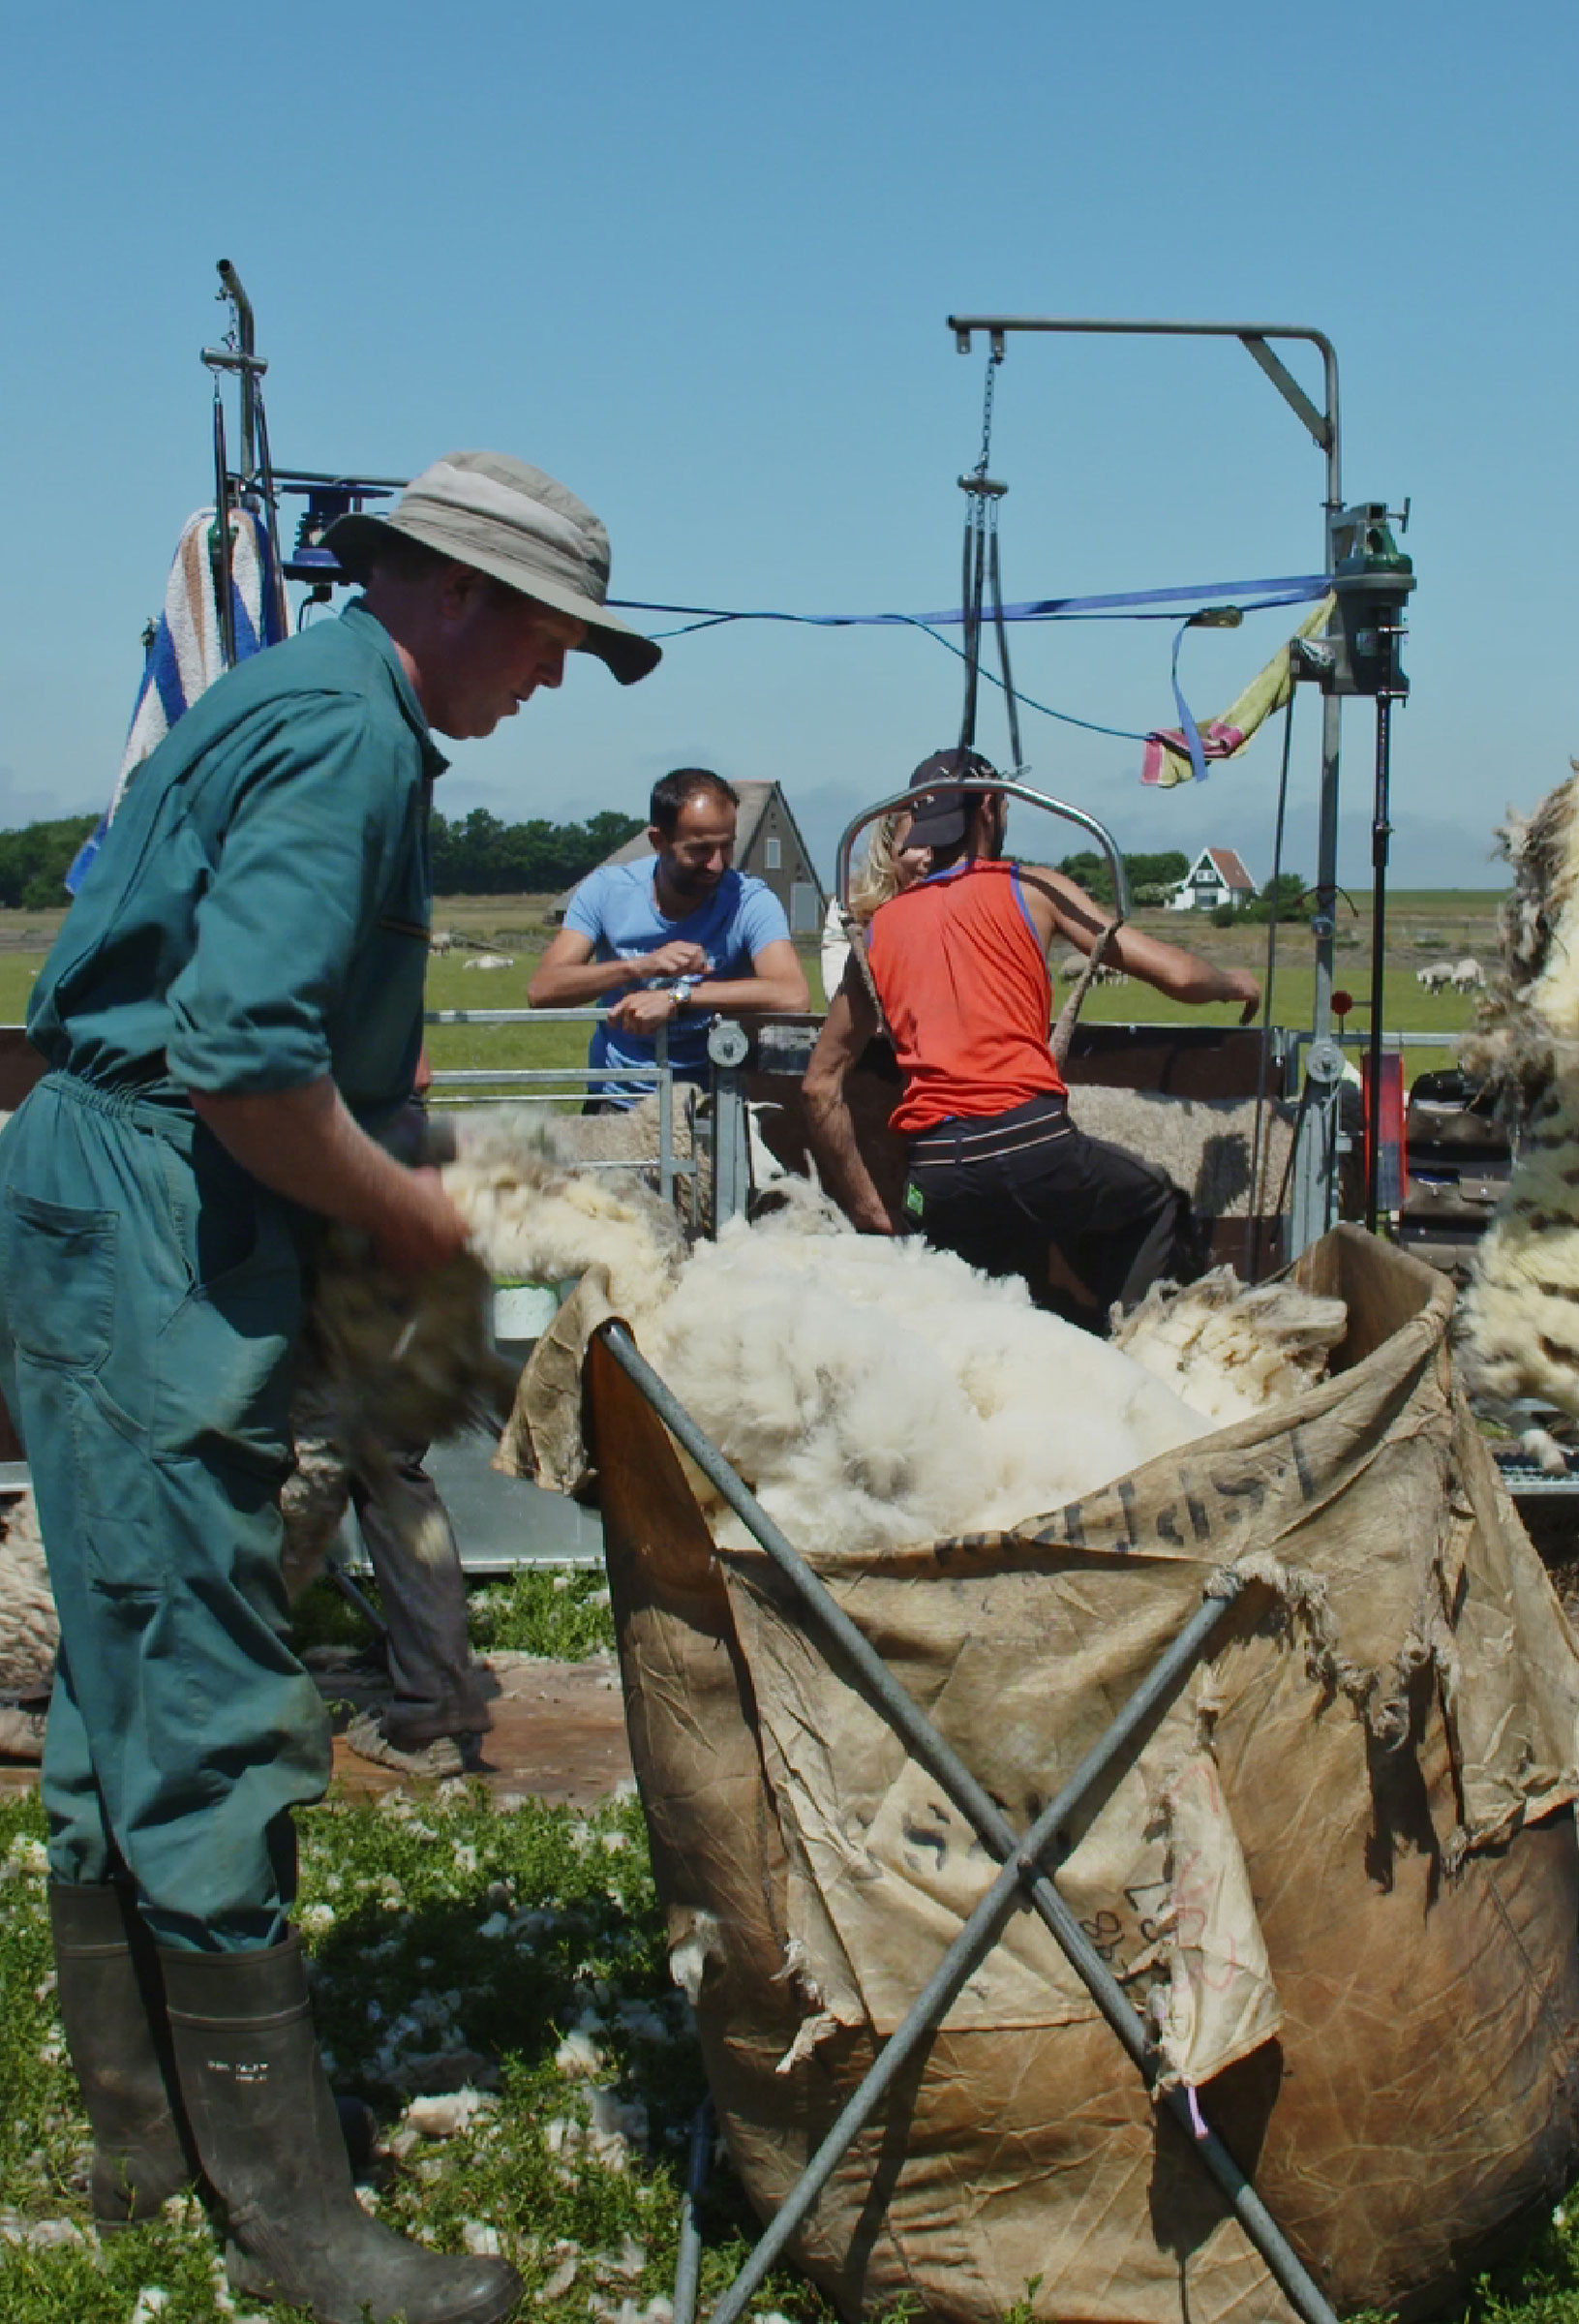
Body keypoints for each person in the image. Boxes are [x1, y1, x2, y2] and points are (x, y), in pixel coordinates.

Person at [0, 448, 659, 2324]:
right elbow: (239, 1062)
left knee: (127, 1668)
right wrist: (424, 1229)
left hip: (120, 1196)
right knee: (199, 1676)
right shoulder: (348, 738)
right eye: (548, 641)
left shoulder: (308, 703)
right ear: (454, 592)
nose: (548, 681)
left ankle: (152, 2146)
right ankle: (292, 2220)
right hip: (158, 1210)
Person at [805, 749, 1260, 1326]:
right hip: (1036, 1149)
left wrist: (872, 1211)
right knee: (1154, 1208)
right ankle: (1128, 1351)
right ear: (991, 806)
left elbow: (819, 1087)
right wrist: (1237, 984)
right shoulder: (1035, 890)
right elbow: (1179, 975)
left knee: (965, 1324)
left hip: (937, 1177)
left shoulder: (878, 932)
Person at [530, 767, 808, 1103]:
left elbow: (793, 995)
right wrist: (641, 967)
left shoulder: (751, 901)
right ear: (658, 841)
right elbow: (543, 990)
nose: (717, 864)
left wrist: (678, 997)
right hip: (619, 1100)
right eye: (700, 850)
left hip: (715, 1101)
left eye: (727, 847)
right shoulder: (607, 891)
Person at [817, 805, 934, 1000]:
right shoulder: (850, 905)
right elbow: (842, 994)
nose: (929, 858)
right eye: (918, 844)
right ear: (888, 849)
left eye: (941, 846)